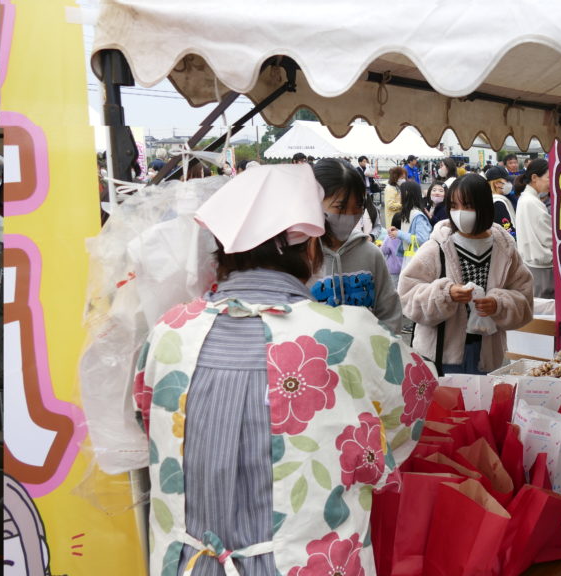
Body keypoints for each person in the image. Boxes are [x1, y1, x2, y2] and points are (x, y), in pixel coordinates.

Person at [135, 163, 436, 576]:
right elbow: (411, 407)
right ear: (311, 247)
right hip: (308, 563)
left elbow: (148, 419)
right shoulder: (350, 335)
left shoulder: (168, 332)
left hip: (187, 564)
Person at [398, 173, 534, 375]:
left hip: (487, 355)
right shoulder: (436, 247)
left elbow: (525, 299)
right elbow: (407, 295)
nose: (460, 213)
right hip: (441, 356)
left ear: (484, 206)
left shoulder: (505, 250)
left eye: (468, 205)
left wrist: (498, 304)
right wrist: (445, 294)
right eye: (454, 206)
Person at [311, 159, 402, 333]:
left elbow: (389, 312)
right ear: (313, 203)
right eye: (341, 207)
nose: (351, 214)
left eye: (358, 206)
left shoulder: (371, 254)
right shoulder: (298, 258)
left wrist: (383, 346)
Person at [514, 158, 554, 298]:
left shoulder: (526, 199)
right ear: (534, 178)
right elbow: (549, 238)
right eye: (549, 178)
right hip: (541, 268)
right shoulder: (532, 202)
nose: (551, 182)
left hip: (532, 264)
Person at [484, 164, 517, 239]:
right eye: (506, 181)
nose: (510, 183)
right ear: (497, 184)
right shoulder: (498, 203)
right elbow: (508, 230)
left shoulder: (490, 199)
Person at [399, 180, 434, 248]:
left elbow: (421, 240)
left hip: (416, 253)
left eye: (401, 192)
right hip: (409, 252)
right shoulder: (408, 211)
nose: (399, 195)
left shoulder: (418, 215)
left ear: (406, 193)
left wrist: (399, 233)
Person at [383, 214, 405, 288]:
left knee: (394, 289)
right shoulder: (406, 236)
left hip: (393, 270)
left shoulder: (390, 237)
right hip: (405, 267)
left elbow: (384, 250)